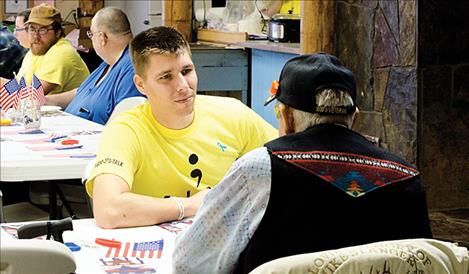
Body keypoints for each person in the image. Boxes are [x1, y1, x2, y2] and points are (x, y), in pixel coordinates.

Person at [172, 53, 433, 273]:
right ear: (355, 118)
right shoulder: (406, 175)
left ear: (285, 116)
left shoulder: (261, 168)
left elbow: (190, 263)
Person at [85, 26, 278, 229]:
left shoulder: (234, 113)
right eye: (166, 77)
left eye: (187, 71)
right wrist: (189, 206)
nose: (183, 85)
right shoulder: (125, 130)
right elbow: (108, 210)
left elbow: (292, 160)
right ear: (141, 85)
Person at [45, 7, 144, 125]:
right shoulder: (108, 63)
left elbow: (123, 122)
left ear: (102, 38)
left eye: (91, 34)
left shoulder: (131, 69)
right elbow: (82, 92)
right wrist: (45, 100)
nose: (91, 39)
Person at [16, 3, 89, 95]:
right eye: (32, 29)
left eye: (43, 30)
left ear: (58, 32)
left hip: (65, 109)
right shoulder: (34, 51)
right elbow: (16, 86)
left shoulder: (61, 52)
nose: (36, 36)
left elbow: (32, 96)